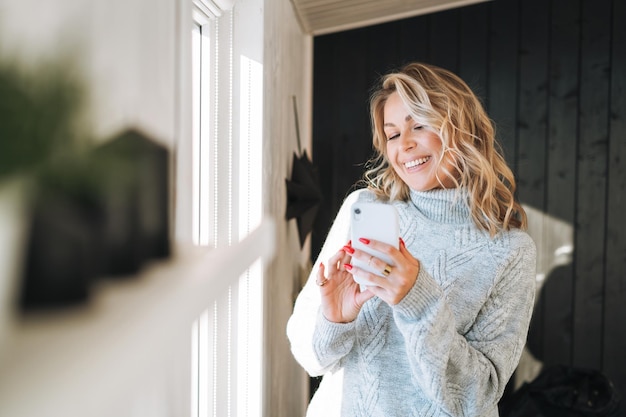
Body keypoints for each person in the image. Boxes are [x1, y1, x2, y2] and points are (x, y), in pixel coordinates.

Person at [286, 62, 537, 417]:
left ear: (463, 129)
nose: (403, 145)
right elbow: (309, 356)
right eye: (391, 134)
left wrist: (418, 300)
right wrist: (336, 320)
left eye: (418, 124)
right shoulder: (364, 208)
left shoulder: (509, 251)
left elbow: (480, 395)